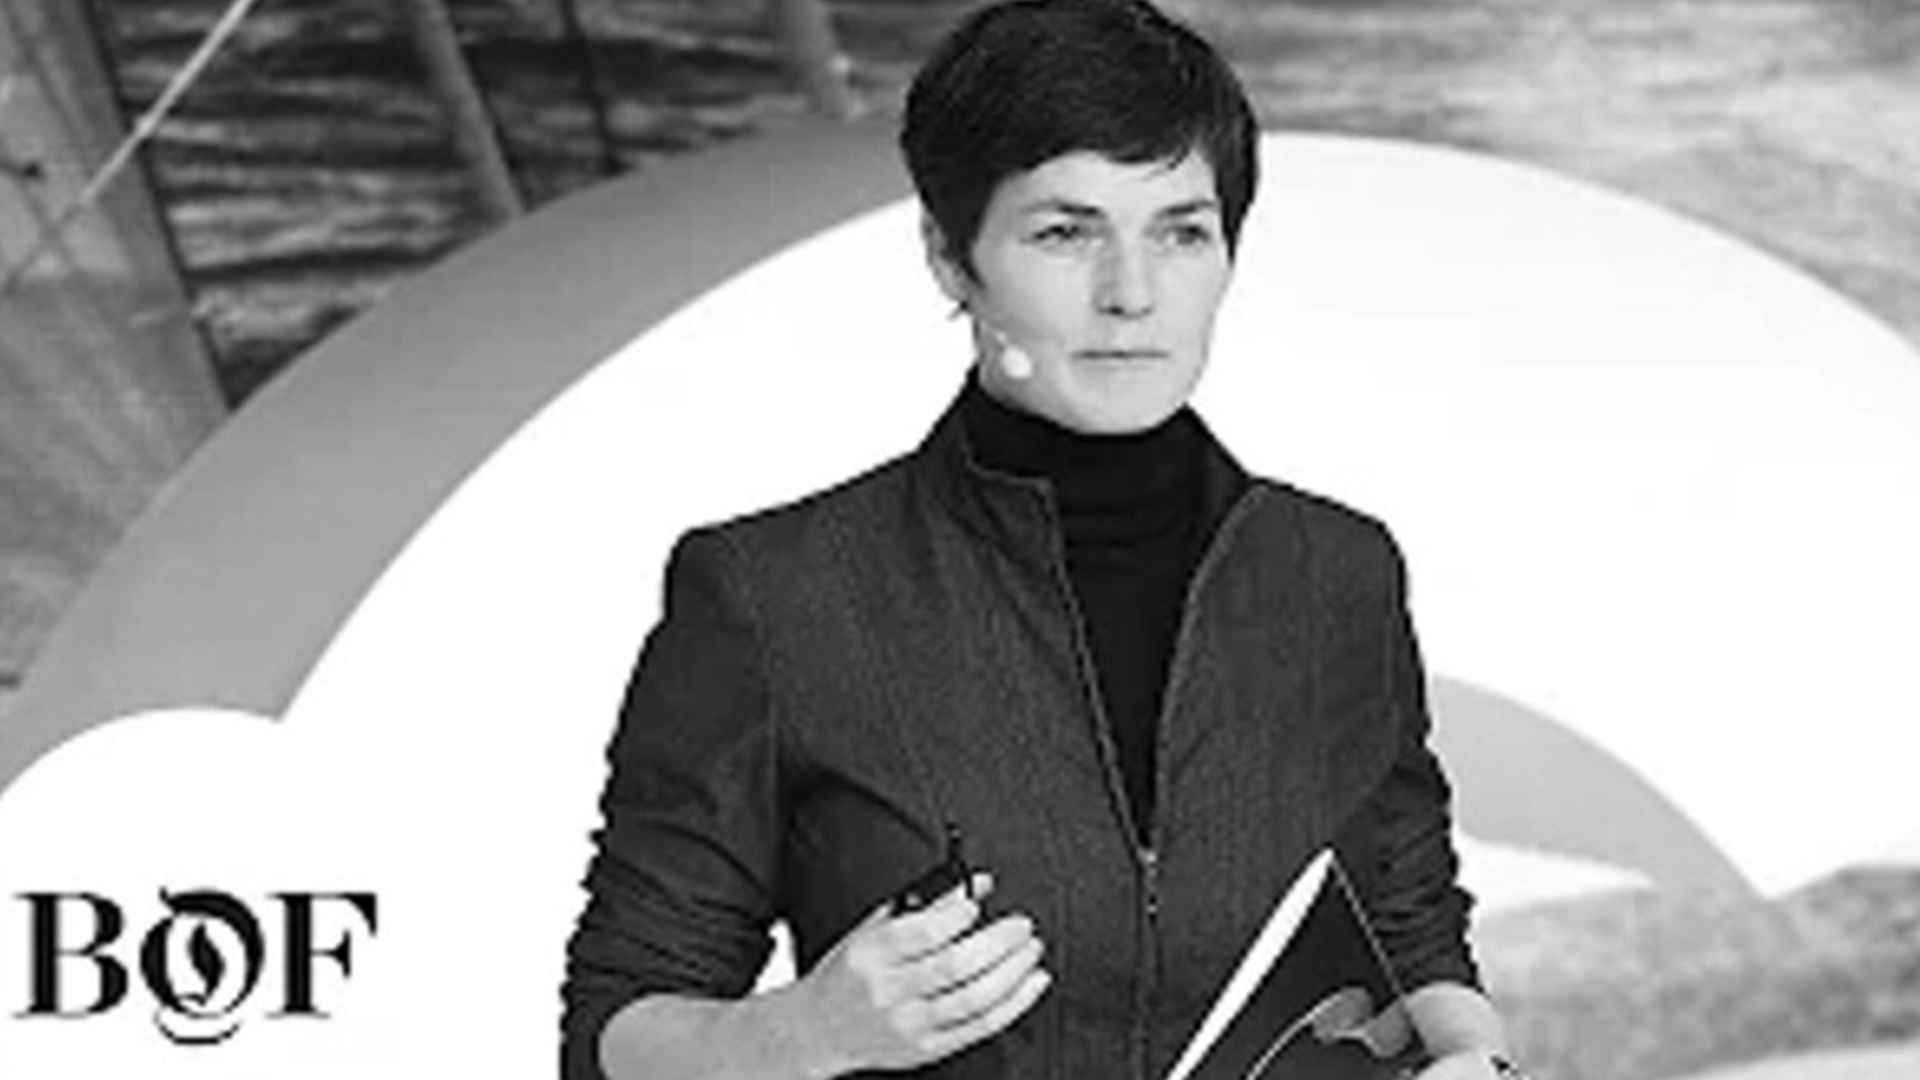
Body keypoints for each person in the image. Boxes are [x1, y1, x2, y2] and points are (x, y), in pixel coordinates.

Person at [562, 2, 1523, 1078]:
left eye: (1181, 232)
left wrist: (1472, 1057)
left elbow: (1407, 918)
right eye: (1066, 233)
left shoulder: (1335, 572)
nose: (1132, 295)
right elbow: (611, 1033)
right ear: (950, 256)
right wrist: (799, 1035)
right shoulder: (774, 595)